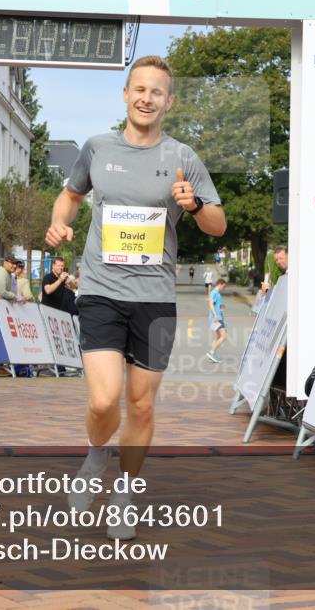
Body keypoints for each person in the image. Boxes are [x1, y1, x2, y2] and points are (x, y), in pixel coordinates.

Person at [45, 54, 225, 540]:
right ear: (126, 94)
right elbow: (71, 195)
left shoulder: (183, 157)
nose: (147, 99)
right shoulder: (97, 148)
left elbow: (217, 224)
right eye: (139, 89)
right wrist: (59, 221)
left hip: (156, 298)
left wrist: (195, 205)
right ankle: (95, 456)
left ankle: (124, 494)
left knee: (141, 407)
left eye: (156, 92)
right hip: (101, 290)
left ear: (169, 101)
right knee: (104, 400)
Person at [206, 278, 228, 363]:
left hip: (219, 318)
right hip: (215, 318)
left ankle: (212, 355)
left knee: (217, 337)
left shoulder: (218, 294)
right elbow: (211, 304)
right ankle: (211, 353)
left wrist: (223, 319)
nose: (224, 288)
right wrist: (215, 315)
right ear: (220, 284)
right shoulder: (214, 293)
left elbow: (219, 307)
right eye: (224, 286)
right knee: (224, 336)